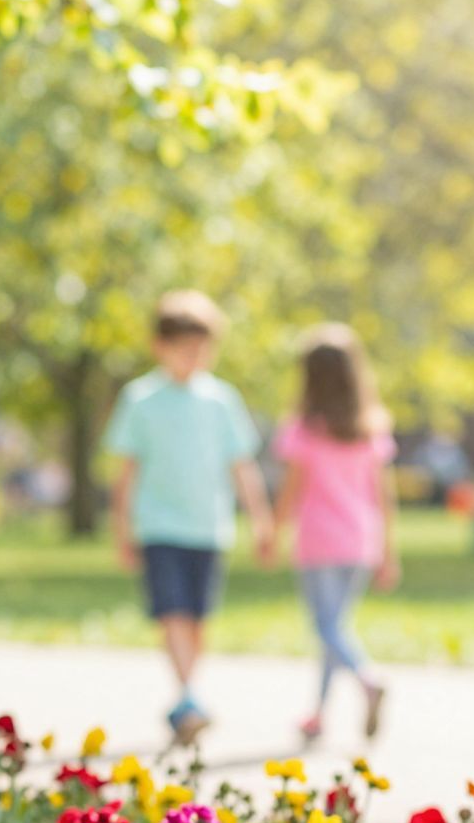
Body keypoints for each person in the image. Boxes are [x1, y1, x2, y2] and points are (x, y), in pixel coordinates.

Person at [105, 289, 274, 746]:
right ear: (160, 346)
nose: (193, 357)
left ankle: (186, 698)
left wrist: (261, 520)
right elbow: (126, 473)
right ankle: (189, 696)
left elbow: (242, 466)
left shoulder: (221, 400)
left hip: (209, 527)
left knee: (197, 620)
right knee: (172, 612)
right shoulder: (140, 399)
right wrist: (122, 531)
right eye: (184, 347)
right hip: (159, 526)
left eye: (202, 348)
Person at [271, 324, 401, 742]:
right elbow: (383, 496)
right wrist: (387, 549)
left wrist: (272, 533)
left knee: (327, 627)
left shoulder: (303, 430)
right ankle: (319, 714)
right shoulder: (370, 428)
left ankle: (367, 679)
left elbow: (290, 493)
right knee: (336, 627)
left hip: (318, 540)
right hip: (361, 539)